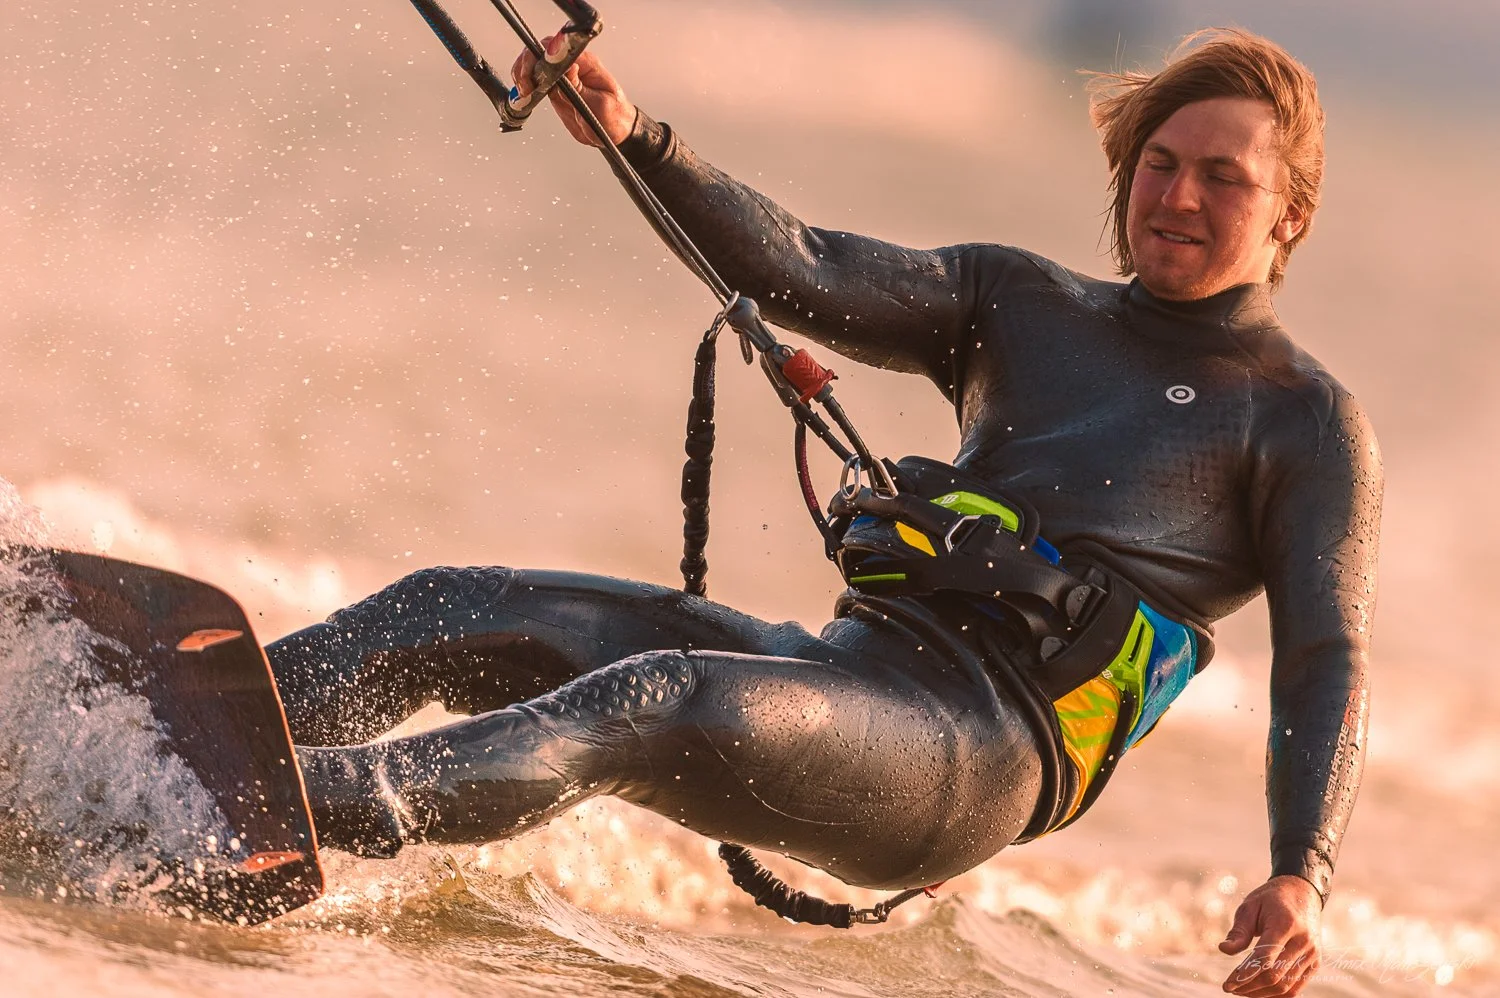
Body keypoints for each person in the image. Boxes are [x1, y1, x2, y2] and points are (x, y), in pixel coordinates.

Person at [272, 28, 1379, 998]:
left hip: (973, 755)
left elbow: (1325, 654)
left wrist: (1300, 872)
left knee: (655, 698)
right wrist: (635, 134)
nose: (1179, 196)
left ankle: (269, 798)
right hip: (853, 669)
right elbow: (805, 266)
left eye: (1223, 178)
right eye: (1161, 163)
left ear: (1293, 211)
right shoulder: (1022, 303)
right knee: (448, 605)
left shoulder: (1301, 420)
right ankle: (163, 702)